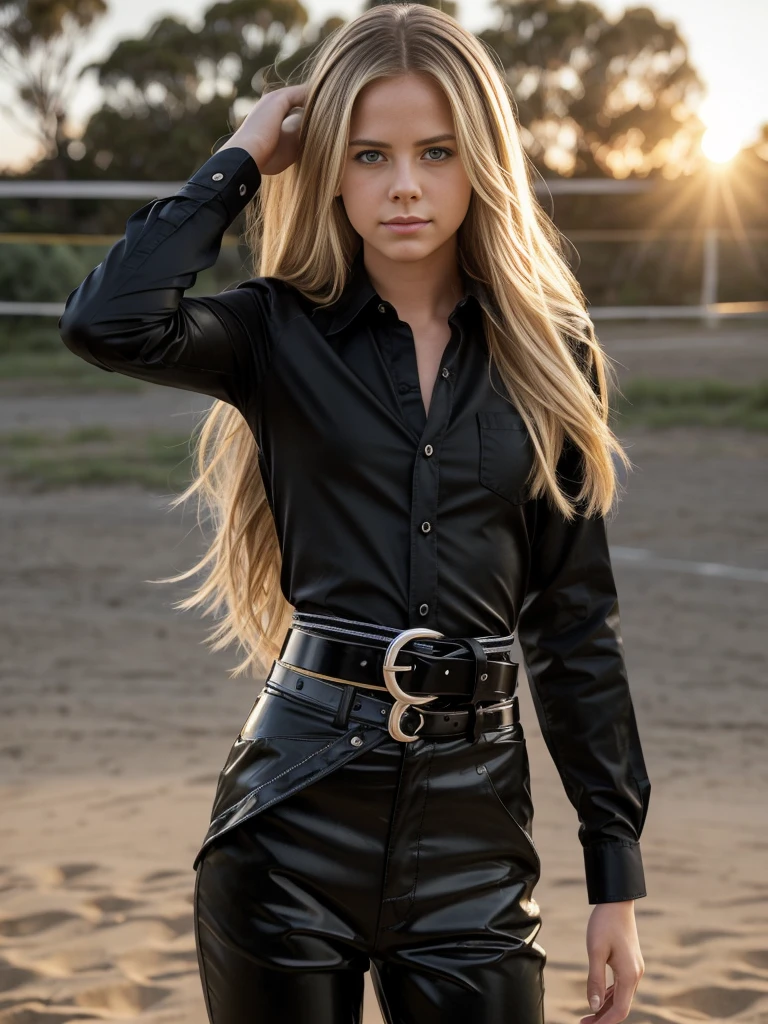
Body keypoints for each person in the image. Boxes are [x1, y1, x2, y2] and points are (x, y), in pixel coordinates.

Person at [58, 4, 651, 1023]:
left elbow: (573, 624)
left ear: (481, 163)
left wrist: (615, 873)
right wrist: (246, 151)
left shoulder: (557, 351)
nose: (406, 184)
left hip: (476, 841)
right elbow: (108, 320)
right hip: (289, 824)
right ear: (329, 166)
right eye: (369, 154)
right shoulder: (272, 331)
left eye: (436, 152)